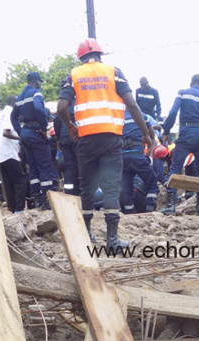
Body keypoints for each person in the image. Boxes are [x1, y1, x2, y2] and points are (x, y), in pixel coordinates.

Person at [57, 38, 154, 249]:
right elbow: (132, 104)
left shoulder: (73, 75)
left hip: (86, 140)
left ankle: (87, 234)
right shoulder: (114, 72)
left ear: (81, 58)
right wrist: (145, 133)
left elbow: (61, 107)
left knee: (87, 188)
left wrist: (71, 127)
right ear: (100, 55)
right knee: (111, 188)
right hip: (111, 139)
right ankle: (112, 240)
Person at [159, 74, 199, 216]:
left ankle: (170, 205)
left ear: (191, 83)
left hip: (186, 133)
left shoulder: (183, 93)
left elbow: (173, 112)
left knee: (175, 168)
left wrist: (166, 130)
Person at [11, 71, 57, 210]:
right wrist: (43, 127)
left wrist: (21, 131)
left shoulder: (19, 98)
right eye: (40, 82)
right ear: (36, 81)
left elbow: (13, 117)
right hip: (36, 133)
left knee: (33, 168)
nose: (40, 85)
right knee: (44, 165)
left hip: (25, 134)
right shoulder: (36, 93)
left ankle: (37, 198)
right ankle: (46, 200)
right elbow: (38, 108)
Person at [121, 109, 161, 213]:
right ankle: (150, 206)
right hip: (137, 154)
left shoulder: (117, 117)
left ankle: (129, 213)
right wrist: (147, 154)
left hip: (122, 157)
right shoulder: (142, 115)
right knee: (152, 182)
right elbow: (152, 136)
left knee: (127, 190)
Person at [0, 95, 27, 212]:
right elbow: (6, 133)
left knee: (8, 184)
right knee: (21, 181)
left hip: (2, 156)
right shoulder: (10, 113)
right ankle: (19, 209)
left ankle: (13, 209)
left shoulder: (3, 114)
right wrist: (20, 137)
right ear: (14, 103)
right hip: (9, 154)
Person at [53, 98, 79, 196]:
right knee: (80, 165)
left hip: (64, 138)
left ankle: (69, 193)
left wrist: (59, 139)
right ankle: (79, 192)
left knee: (69, 167)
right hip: (76, 136)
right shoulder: (77, 102)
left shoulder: (62, 103)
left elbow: (56, 121)